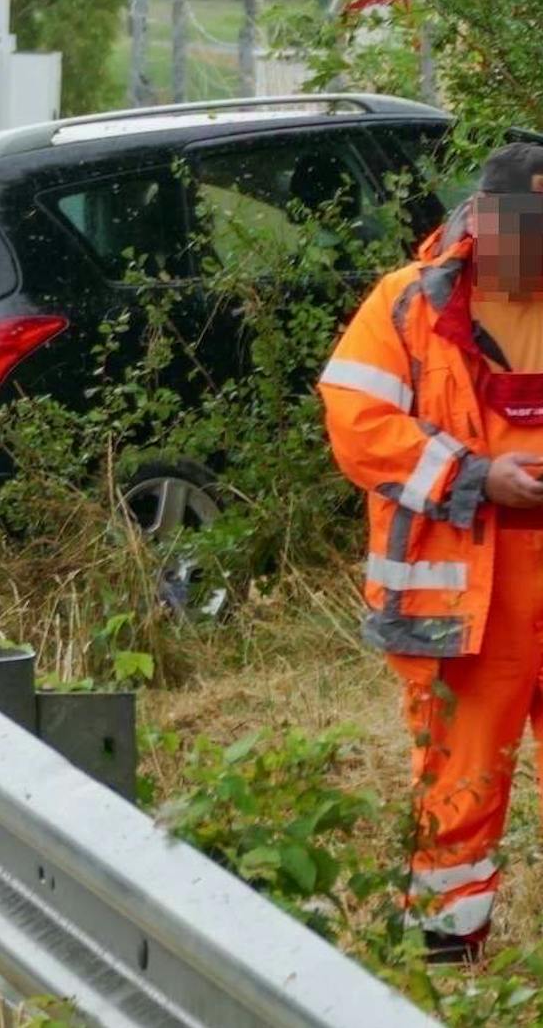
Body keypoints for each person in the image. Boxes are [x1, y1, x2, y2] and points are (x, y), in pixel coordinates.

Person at [321, 142, 543, 964]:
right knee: (459, 787)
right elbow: (359, 427)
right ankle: (450, 964)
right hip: (466, 603)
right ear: (480, 220)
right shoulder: (406, 307)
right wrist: (480, 477)